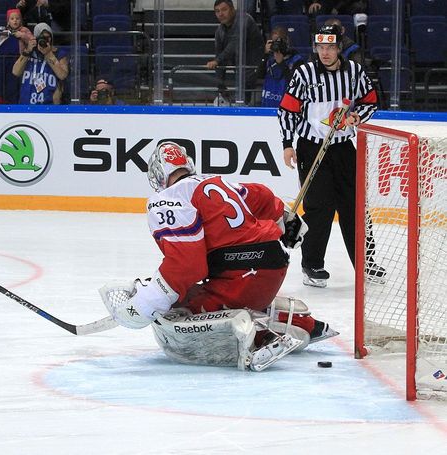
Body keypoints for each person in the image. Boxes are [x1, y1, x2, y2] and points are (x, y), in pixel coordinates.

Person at [100, 142, 338, 371]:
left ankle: (257, 337)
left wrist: (145, 304)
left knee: (176, 314)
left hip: (241, 277)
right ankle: (303, 325)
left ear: (159, 175)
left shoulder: (168, 199)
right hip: (274, 264)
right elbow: (262, 195)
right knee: (203, 295)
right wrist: (286, 219)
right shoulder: (215, 181)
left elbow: (187, 267)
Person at [278, 24, 383, 287]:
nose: (325, 53)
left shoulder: (354, 73)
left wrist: (357, 117)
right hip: (312, 148)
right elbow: (287, 109)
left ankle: (365, 262)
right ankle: (312, 265)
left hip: (343, 147)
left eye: (330, 47)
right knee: (319, 206)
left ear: (339, 48)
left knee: (355, 205)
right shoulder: (304, 73)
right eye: (320, 47)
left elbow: (371, 101)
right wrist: (287, 143)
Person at [205, 0, 264, 105]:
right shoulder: (219, 31)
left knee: (246, 103)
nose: (220, 14)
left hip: (259, 70)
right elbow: (219, 54)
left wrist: (217, 61)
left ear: (232, 9)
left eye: (224, 9)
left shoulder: (245, 20)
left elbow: (235, 44)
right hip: (242, 73)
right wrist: (221, 85)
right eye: (217, 11)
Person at [12, 22, 69, 105]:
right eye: (41, 37)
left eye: (47, 37)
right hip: (26, 104)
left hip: (49, 105)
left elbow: (62, 75)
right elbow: (15, 72)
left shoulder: (59, 54)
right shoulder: (29, 52)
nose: (45, 40)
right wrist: (27, 51)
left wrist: (48, 54)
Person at [257, 26, 304, 107]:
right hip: (267, 107)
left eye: (279, 42)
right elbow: (259, 75)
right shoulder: (269, 60)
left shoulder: (297, 60)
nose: (276, 45)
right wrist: (265, 55)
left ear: (287, 41)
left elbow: (295, 84)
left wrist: (281, 63)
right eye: (274, 42)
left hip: (286, 108)